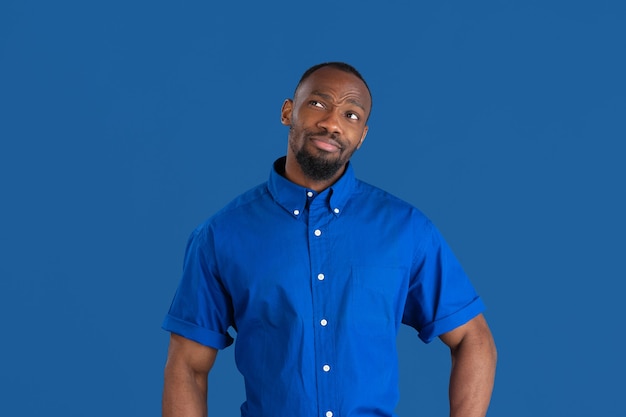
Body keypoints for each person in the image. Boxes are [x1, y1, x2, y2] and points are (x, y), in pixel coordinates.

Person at [162, 62, 497, 417]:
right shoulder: (221, 235)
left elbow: (473, 339)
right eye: (318, 104)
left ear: (363, 135)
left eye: (351, 115)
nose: (332, 123)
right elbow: (187, 365)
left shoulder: (406, 229)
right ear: (288, 111)